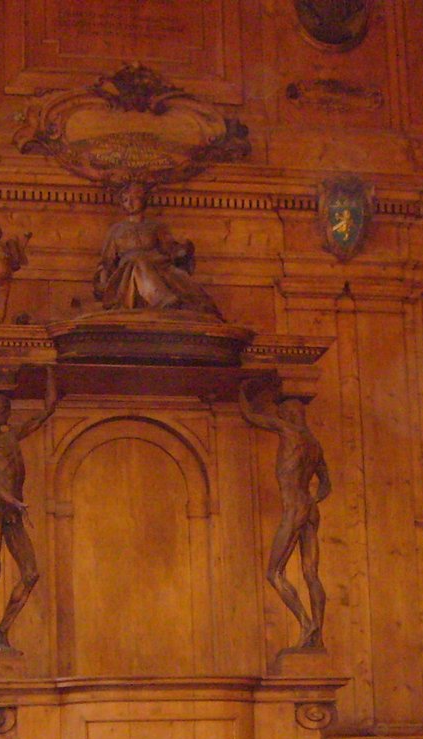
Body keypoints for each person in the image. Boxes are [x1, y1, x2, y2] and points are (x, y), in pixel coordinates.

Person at [239, 379, 332, 651]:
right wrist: (309, 497)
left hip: (294, 507)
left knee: (274, 573)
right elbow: (326, 484)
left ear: (288, 415)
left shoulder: (288, 431)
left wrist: (242, 389)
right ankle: (318, 638)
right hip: (311, 509)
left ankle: (306, 624)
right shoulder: (314, 444)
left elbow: (250, 416)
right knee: (311, 573)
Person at [0, 368, 57, 652]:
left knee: (31, 573)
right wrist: (13, 500)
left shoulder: (10, 437)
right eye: (2, 409)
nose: (7, 413)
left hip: (14, 510)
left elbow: (41, 416)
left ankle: (2, 630)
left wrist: (50, 379)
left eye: (7, 409)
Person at [92, 182, 222, 319]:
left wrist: (183, 251)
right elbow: (106, 262)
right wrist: (103, 280)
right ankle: (162, 299)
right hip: (126, 274)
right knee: (137, 263)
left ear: (143, 200)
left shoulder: (156, 227)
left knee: (146, 265)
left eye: (134, 198)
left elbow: (170, 250)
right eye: (125, 200)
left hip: (158, 265)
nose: (129, 203)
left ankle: (164, 297)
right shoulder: (116, 230)